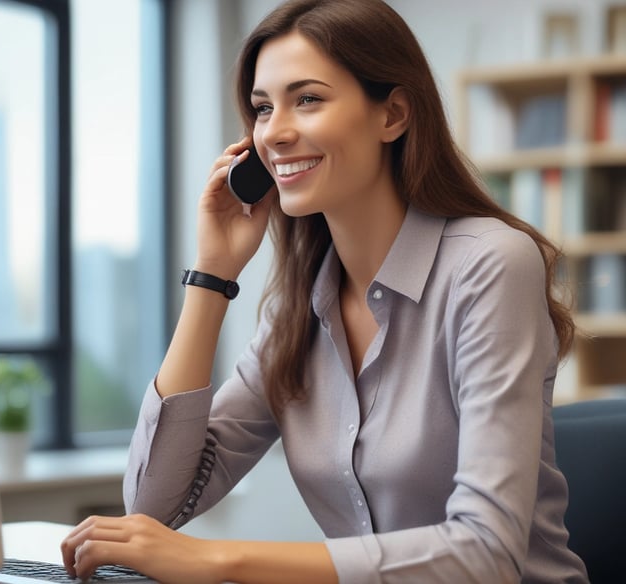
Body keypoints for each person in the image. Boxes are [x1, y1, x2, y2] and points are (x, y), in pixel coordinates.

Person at [61, 0, 589, 582]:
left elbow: (486, 550)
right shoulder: (300, 306)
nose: (275, 133)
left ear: (393, 115)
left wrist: (219, 559)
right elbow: (154, 505)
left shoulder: (489, 265)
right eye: (262, 109)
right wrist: (212, 275)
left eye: (307, 99)